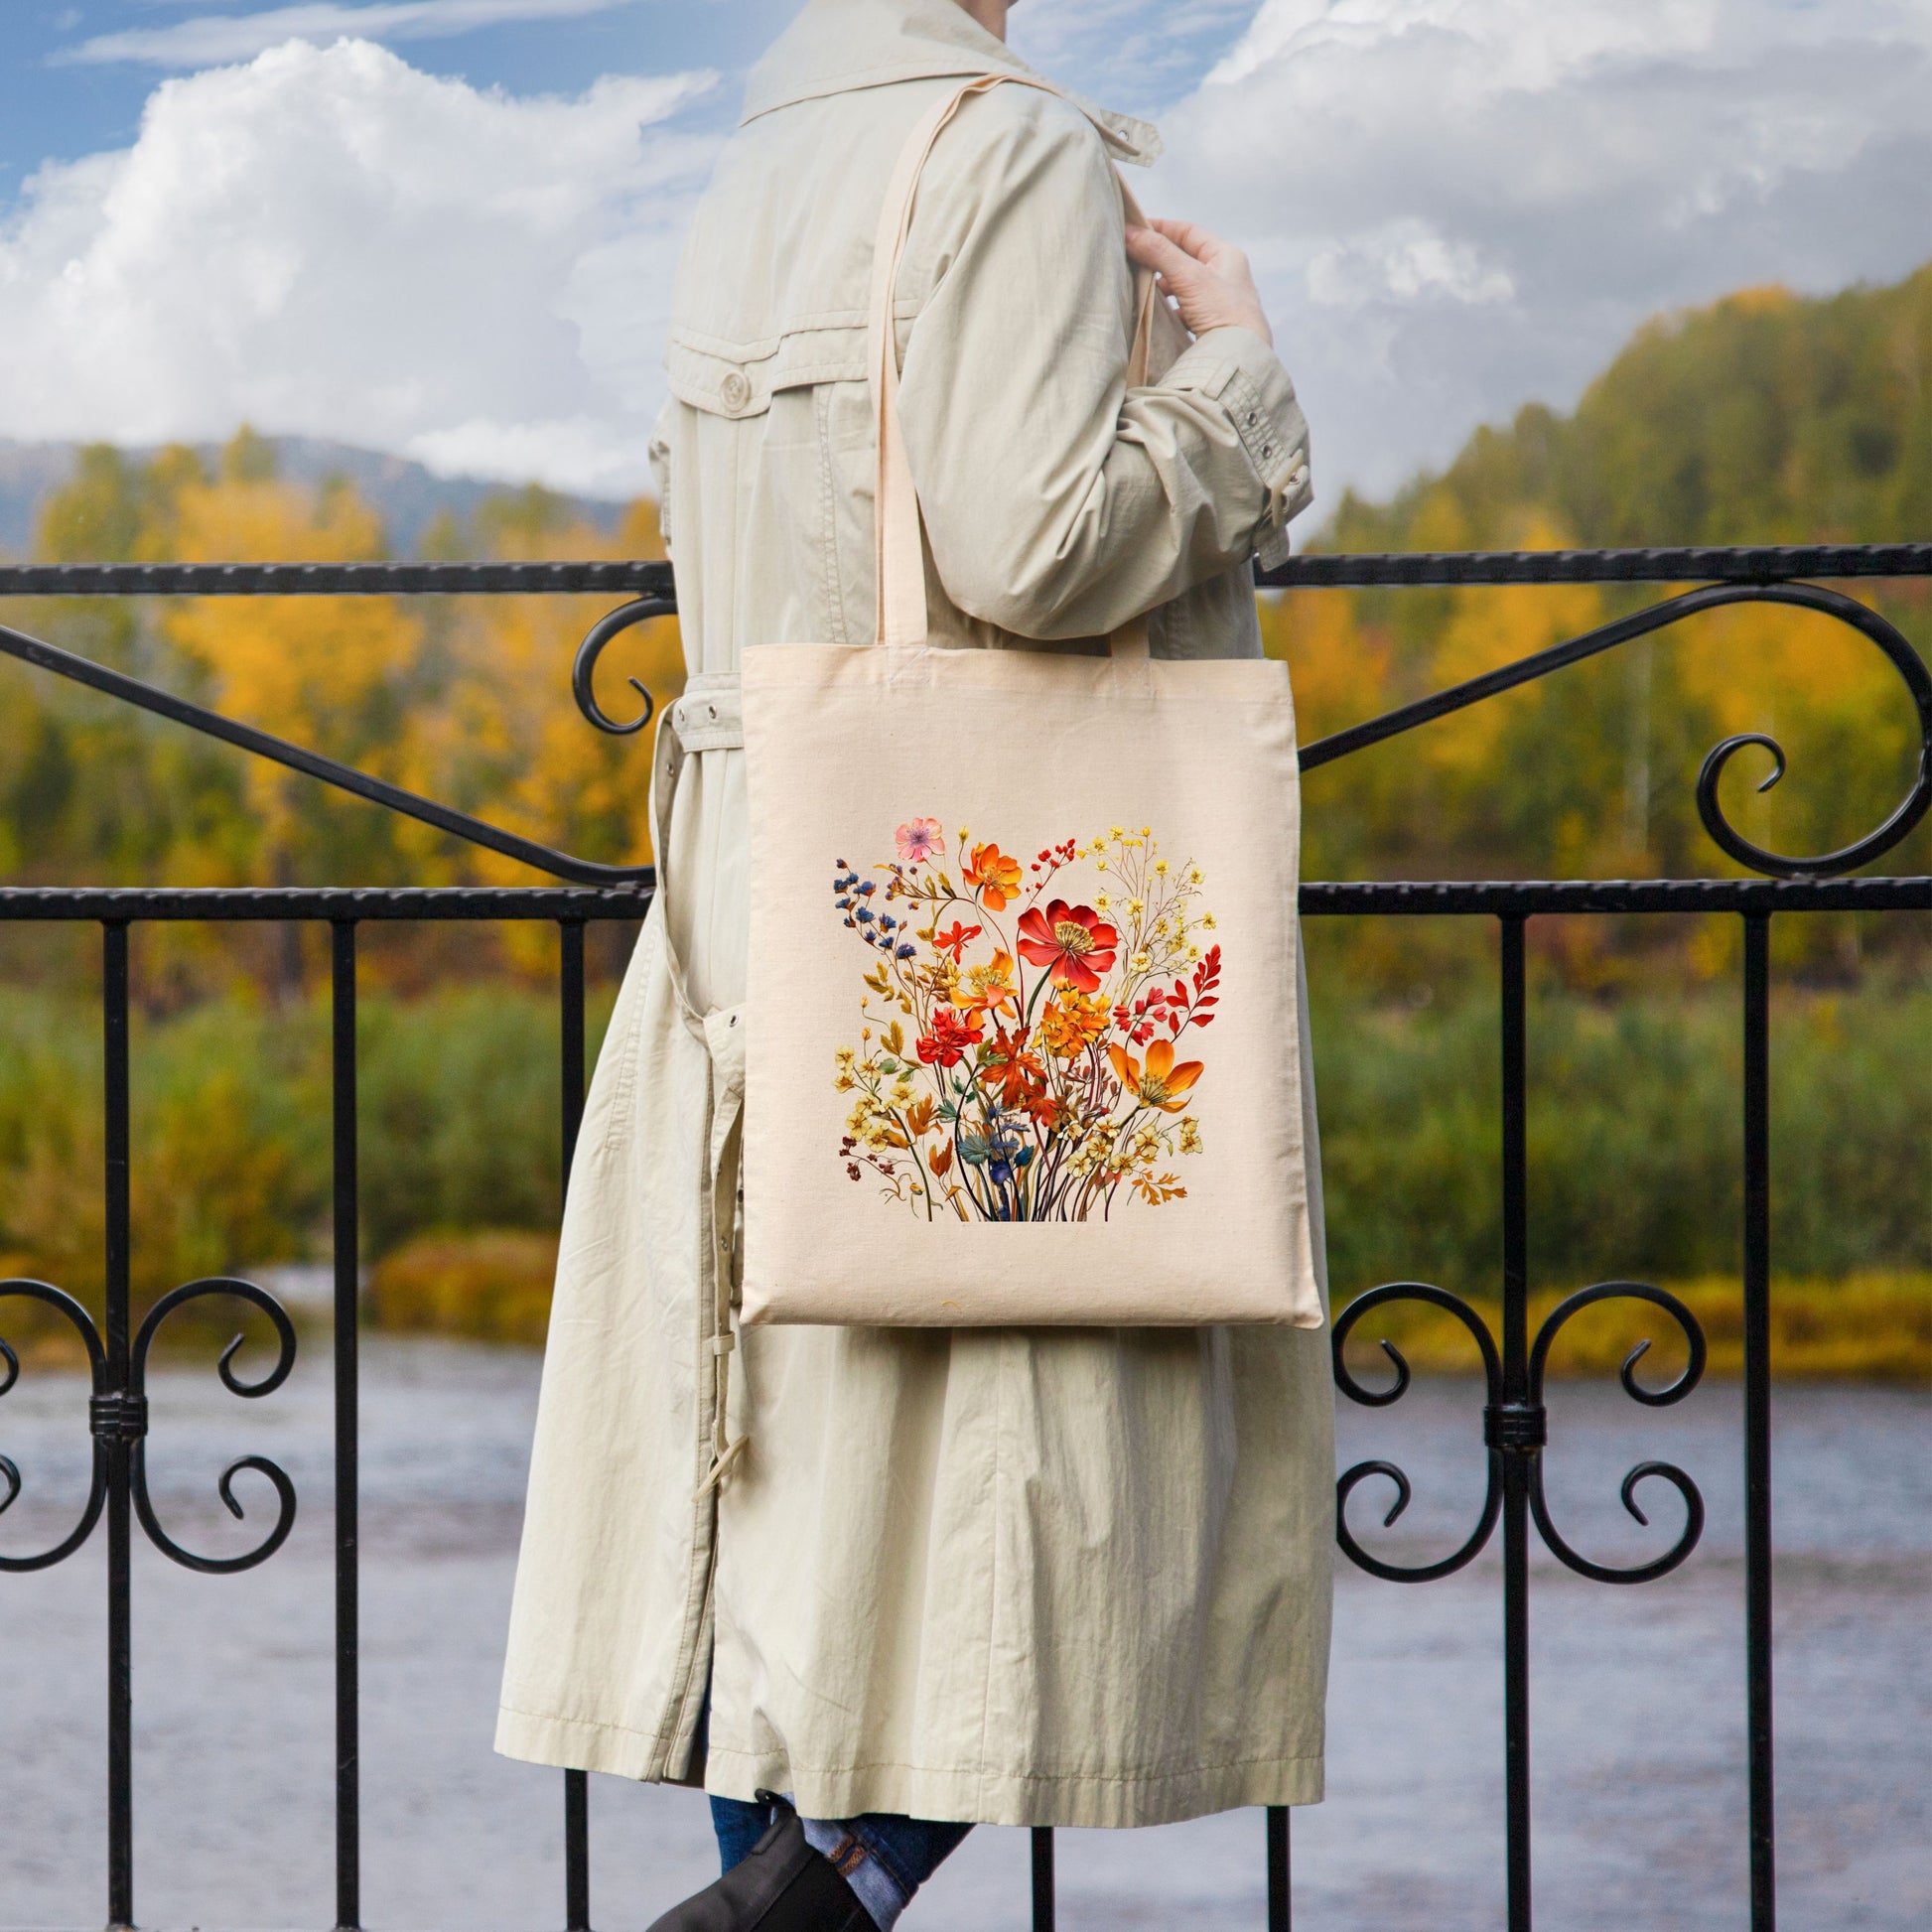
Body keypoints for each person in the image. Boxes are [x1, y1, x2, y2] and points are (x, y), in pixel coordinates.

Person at [496, 3, 1334, 1927]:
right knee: (1057, 1487)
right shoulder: (1010, 147)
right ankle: (832, 1893)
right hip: (977, 893)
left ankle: (795, 1886)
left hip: (775, 867)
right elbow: (1033, 545)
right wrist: (1234, 383)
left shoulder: (756, 163)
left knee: (805, 1502)